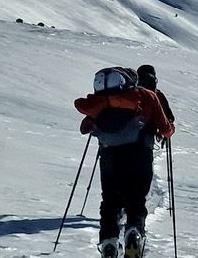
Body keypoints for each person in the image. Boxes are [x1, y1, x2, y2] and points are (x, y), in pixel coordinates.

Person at [74, 67, 174, 258]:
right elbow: (165, 127)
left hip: (109, 155)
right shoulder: (148, 96)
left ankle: (109, 242)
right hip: (139, 154)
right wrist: (168, 131)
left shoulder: (103, 101)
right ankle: (134, 233)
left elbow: (85, 126)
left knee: (110, 201)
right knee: (136, 200)